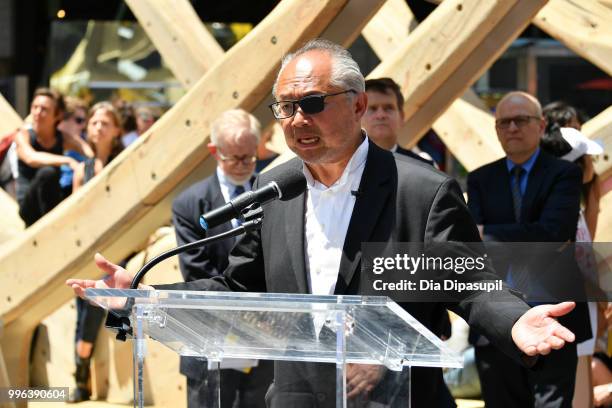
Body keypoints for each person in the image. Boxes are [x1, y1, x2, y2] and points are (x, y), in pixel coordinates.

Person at [69, 39, 580, 407]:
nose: (296, 120)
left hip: (396, 399)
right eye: (286, 108)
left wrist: (515, 320)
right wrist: (143, 297)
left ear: (358, 105)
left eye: (312, 104)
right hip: (297, 397)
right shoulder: (275, 188)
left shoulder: (420, 190)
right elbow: (238, 287)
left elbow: (468, 283)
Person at [467, 91, 591, 408]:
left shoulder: (564, 174)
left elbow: (553, 234)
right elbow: (473, 246)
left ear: (541, 124)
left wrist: (489, 234)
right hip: (496, 317)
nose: (512, 128)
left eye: (521, 120)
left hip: (555, 313)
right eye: (504, 122)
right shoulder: (480, 179)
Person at [172, 109, 273, 408]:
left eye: (250, 157)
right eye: (235, 158)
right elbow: (196, 271)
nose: (243, 165)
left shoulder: (271, 194)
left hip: (265, 334)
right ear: (215, 152)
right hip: (211, 332)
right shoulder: (190, 203)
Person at [69, 101, 124, 403]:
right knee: (84, 306)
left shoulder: (124, 162)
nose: (98, 127)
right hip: (90, 249)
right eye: (94, 122)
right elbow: (75, 215)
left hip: (120, 245)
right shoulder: (82, 170)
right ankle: (80, 374)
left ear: (116, 130)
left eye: (105, 123)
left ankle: (82, 373)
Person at [14, 88, 93, 226]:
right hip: (29, 208)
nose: (38, 113)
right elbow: (31, 158)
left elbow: (89, 153)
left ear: (58, 115)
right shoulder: (23, 135)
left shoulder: (63, 138)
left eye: (44, 109)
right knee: (48, 172)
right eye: (35, 107)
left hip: (50, 203)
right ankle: (51, 226)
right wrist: (67, 160)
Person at [361, 77, 435, 165]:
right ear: (359, 116)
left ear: (401, 116)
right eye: (372, 109)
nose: (381, 115)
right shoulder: (344, 167)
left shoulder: (425, 168)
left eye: (388, 108)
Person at [58, 96, 89, 197]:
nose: (83, 126)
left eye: (85, 121)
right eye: (79, 120)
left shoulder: (81, 147)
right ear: (62, 119)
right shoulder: (46, 143)